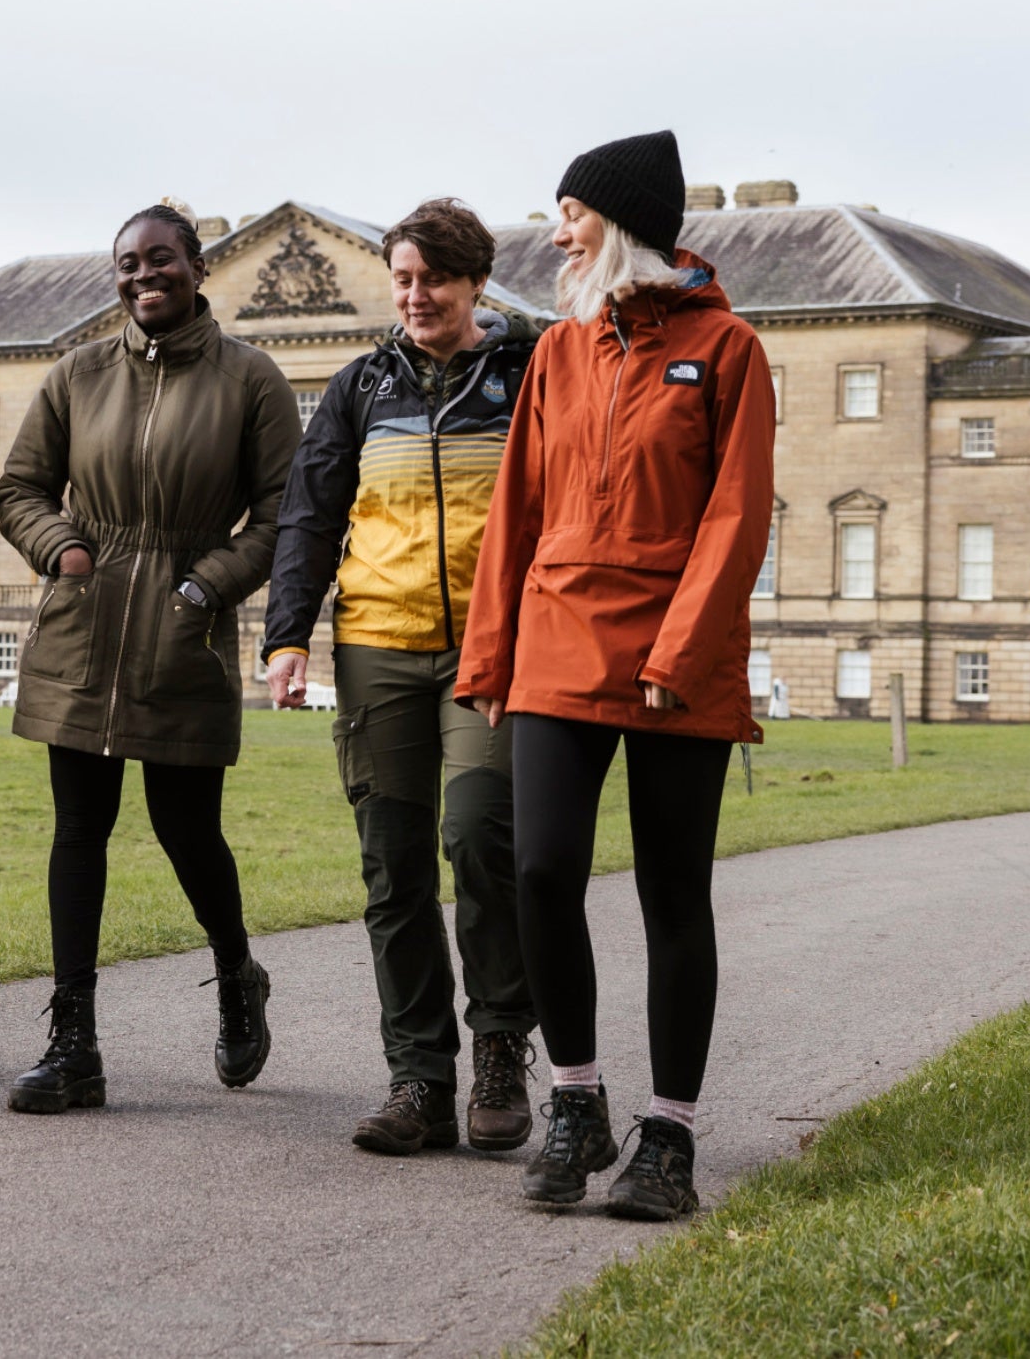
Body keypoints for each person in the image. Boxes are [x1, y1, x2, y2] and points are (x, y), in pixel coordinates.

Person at [457, 131, 773, 1220]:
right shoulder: (556, 353)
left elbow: (736, 519)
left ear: (622, 225)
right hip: (556, 640)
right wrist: (490, 654)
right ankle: (579, 1102)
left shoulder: (728, 350)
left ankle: (671, 1136)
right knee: (540, 869)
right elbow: (518, 515)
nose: (556, 234)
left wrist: (680, 652)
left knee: (671, 890)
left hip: (675, 659)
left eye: (573, 215)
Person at [0, 201, 303, 1114]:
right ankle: (74, 1044)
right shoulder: (77, 373)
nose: (143, 275)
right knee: (77, 834)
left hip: (184, 636)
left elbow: (284, 519)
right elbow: (17, 488)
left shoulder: (253, 380)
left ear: (199, 268)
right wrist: (62, 549)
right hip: (81, 630)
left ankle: (237, 972)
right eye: (128, 263)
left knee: (186, 831)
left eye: (161, 259)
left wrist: (204, 588)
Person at [264, 197, 541, 1157]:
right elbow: (310, 512)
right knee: (393, 871)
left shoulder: (529, 371)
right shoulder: (360, 386)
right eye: (403, 280)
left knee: (477, 840)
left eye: (433, 279)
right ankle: (419, 1076)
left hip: (491, 652)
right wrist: (287, 635)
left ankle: (502, 1049)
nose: (415, 296)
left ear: (474, 283)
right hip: (377, 645)